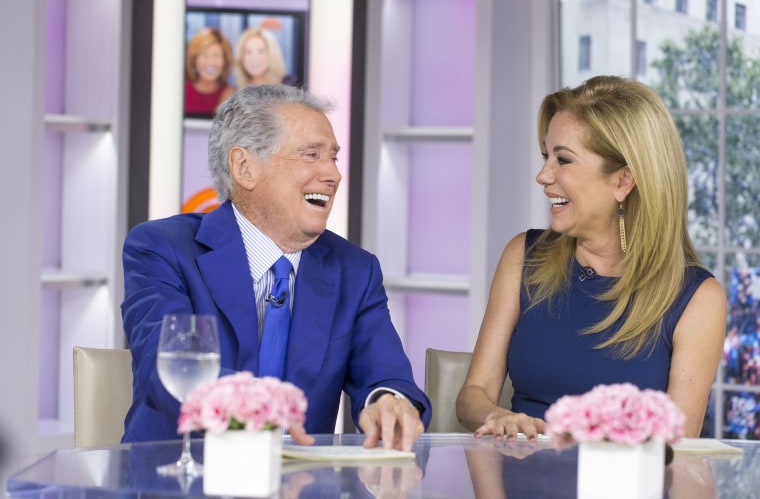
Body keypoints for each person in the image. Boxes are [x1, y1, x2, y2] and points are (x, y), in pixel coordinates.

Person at [121, 84, 431, 451]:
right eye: (311, 155)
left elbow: (386, 374)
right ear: (245, 167)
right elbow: (168, 371)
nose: (332, 174)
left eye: (333, 157)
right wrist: (262, 408)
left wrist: (389, 401)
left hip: (301, 485)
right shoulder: (163, 249)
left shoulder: (355, 270)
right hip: (178, 477)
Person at [456, 75, 727, 440]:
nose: (543, 175)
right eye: (545, 156)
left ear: (623, 182)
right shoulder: (522, 256)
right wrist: (496, 416)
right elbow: (473, 396)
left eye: (563, 160)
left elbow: (677, 447)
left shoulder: (698, 299)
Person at [184, 27, 236, 116]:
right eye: (205, 55)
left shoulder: (231, 96)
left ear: (224, 61)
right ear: (194, 59)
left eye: (216, 55)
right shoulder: (182, 90)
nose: (210, 62)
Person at [233, 26, 298, 89]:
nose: (254, 58)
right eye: (248, 52)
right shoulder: (238, 92)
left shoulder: (289, 86)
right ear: (241, 58)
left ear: (271, 54)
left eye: (260, 51)